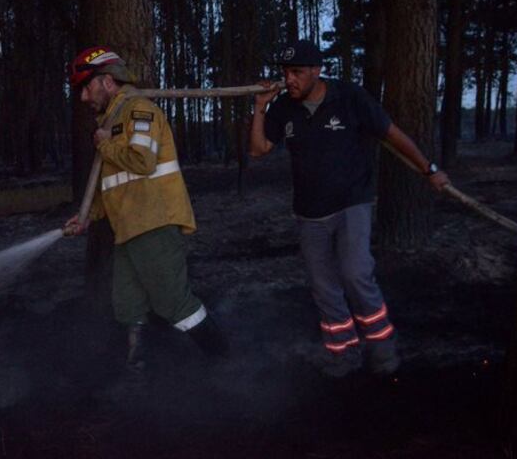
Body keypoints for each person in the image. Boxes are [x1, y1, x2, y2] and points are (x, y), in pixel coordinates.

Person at [248, 39, 450, 377]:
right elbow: (257, 150)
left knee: (356, 273)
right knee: (323, 286)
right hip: (309, 213)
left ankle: (383, 350)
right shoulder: (284, 106)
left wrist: (428, 170)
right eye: (286, 72)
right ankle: (343, 354)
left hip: (351, 203)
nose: (290, 79)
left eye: (297, 72)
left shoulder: (349, 97)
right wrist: (260, 108)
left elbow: (391, 133)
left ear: (316, 70)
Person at [63, 45, 228, 369]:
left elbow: (141, 160)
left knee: (174, 303)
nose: (84, 98)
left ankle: (224, 360)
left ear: (107, 81)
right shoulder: (110, 120)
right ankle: (138, 369)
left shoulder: (140, 111)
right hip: (128, 228)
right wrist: (87, 217)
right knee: (128, 304)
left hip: (154, 222)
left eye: (87, 87)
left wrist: (104, 144)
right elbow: (112, 183)